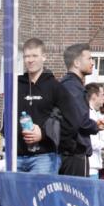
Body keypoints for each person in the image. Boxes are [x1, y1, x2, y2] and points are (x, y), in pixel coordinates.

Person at [16, 38, 78, 174]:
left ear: (44, 57)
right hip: (16, 156)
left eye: (34, 56)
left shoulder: (56, 87)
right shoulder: (16, 86)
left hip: (45, 156)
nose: (30, 60)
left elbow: (72, 122)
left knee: (40, 194)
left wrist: (44, 135)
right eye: (27, 56)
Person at [60, 44, 104, 177]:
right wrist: (96, 126)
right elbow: (80, 121)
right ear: (76, 62)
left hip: (71, 152)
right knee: (76, 196)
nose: (93, 62)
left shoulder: (70, 85)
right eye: (89, 58)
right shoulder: (73, 87)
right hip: (74, 152)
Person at [85, 82, 104, 177]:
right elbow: (91, 142)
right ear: (94, 96)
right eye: (103, 95)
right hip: (90, 166)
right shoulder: (89, 113)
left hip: (94, 165)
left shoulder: (93, 112)